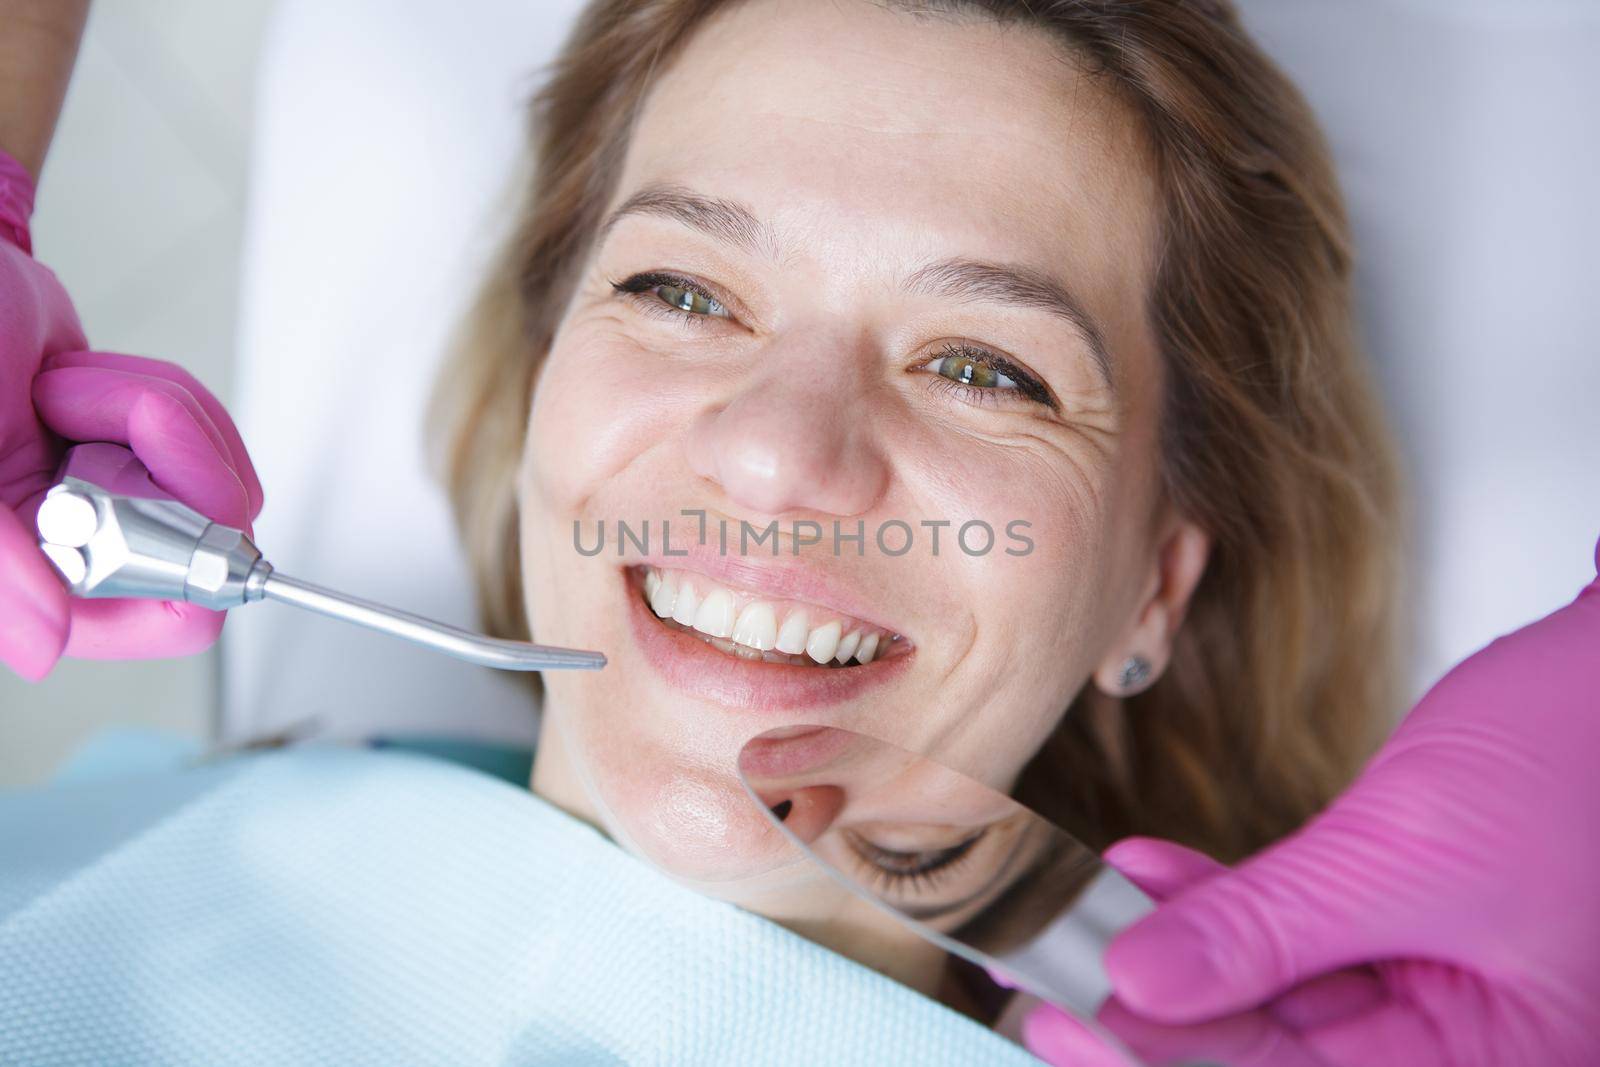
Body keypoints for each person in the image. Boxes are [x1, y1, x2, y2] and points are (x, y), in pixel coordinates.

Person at [2, 1, 1594, 1063]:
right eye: (680, 291)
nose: (776, 453)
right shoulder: (123, 857)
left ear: (1153, 592)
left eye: (986, 370)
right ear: (551, 380)